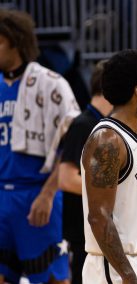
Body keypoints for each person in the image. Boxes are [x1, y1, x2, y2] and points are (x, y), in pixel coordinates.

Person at [0, 9, 80, 284]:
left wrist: (48, 194)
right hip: (2, 196)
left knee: (51, 278)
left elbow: (72, 142)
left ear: (15, 41)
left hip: (37, 194)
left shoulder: (51, 84)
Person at [81, 49, 137, 284]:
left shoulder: (136, 138)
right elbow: (99, 217)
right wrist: (128, 276)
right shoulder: (107, 141)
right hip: (114, 270)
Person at [57, 60, 112, 284]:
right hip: (82, 236)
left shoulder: (104, 125)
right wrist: (112, 190)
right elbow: (67, 179)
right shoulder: (83, 124)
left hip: (98, 234)